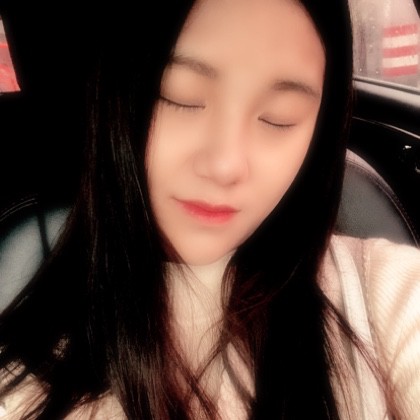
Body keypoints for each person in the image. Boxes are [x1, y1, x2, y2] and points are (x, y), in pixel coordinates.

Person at [0, 0, 419, 418]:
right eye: (180, 97)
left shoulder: (378, 291)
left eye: (279, 118)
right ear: (114, 99)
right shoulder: (23, 379)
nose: (225, 166)